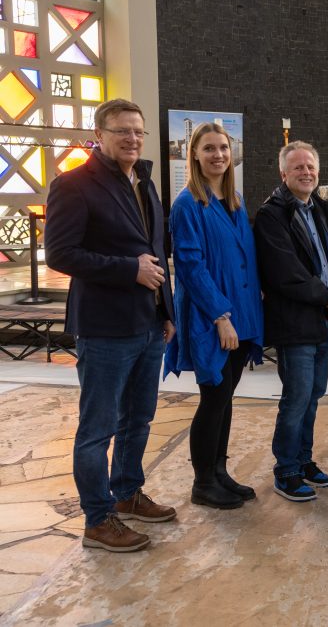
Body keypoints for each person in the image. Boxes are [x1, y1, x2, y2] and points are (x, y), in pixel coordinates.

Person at [45, 98, 177, 552]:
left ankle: (127, 493)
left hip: (148, 323)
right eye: (122, 131)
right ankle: (98, 520)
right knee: (98, 428)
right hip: (105, 327)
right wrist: (128, 270)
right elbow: (60, 254)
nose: (132, 139)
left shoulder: (145, 182)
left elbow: (156, 252)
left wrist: (166, 312)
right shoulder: (74, 185)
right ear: (99, 135)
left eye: (138, 131)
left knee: (138, 418)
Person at [164, 122, 263, 510]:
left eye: (223, 147)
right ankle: (203, 483)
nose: (218, 154)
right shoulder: (187, 204)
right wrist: (221, 317)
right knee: (213, 397)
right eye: (208, 148)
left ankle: (220, 472)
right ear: (194, 154)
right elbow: (190, 266)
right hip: (212, 316)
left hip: (241, 313)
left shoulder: (235, 199)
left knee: (225, 398)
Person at [254, 141, 328, 502]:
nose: (306, 172)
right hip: (295, 322)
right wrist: (327, 296)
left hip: (323, 320)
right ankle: (286, 470)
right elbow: (285, 272)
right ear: (283, 174)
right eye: (298, 167)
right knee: (296, 399)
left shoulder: (321, 211)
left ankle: (304, 460)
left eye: (310, 167)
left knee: (313, 397)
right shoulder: (272, 215)